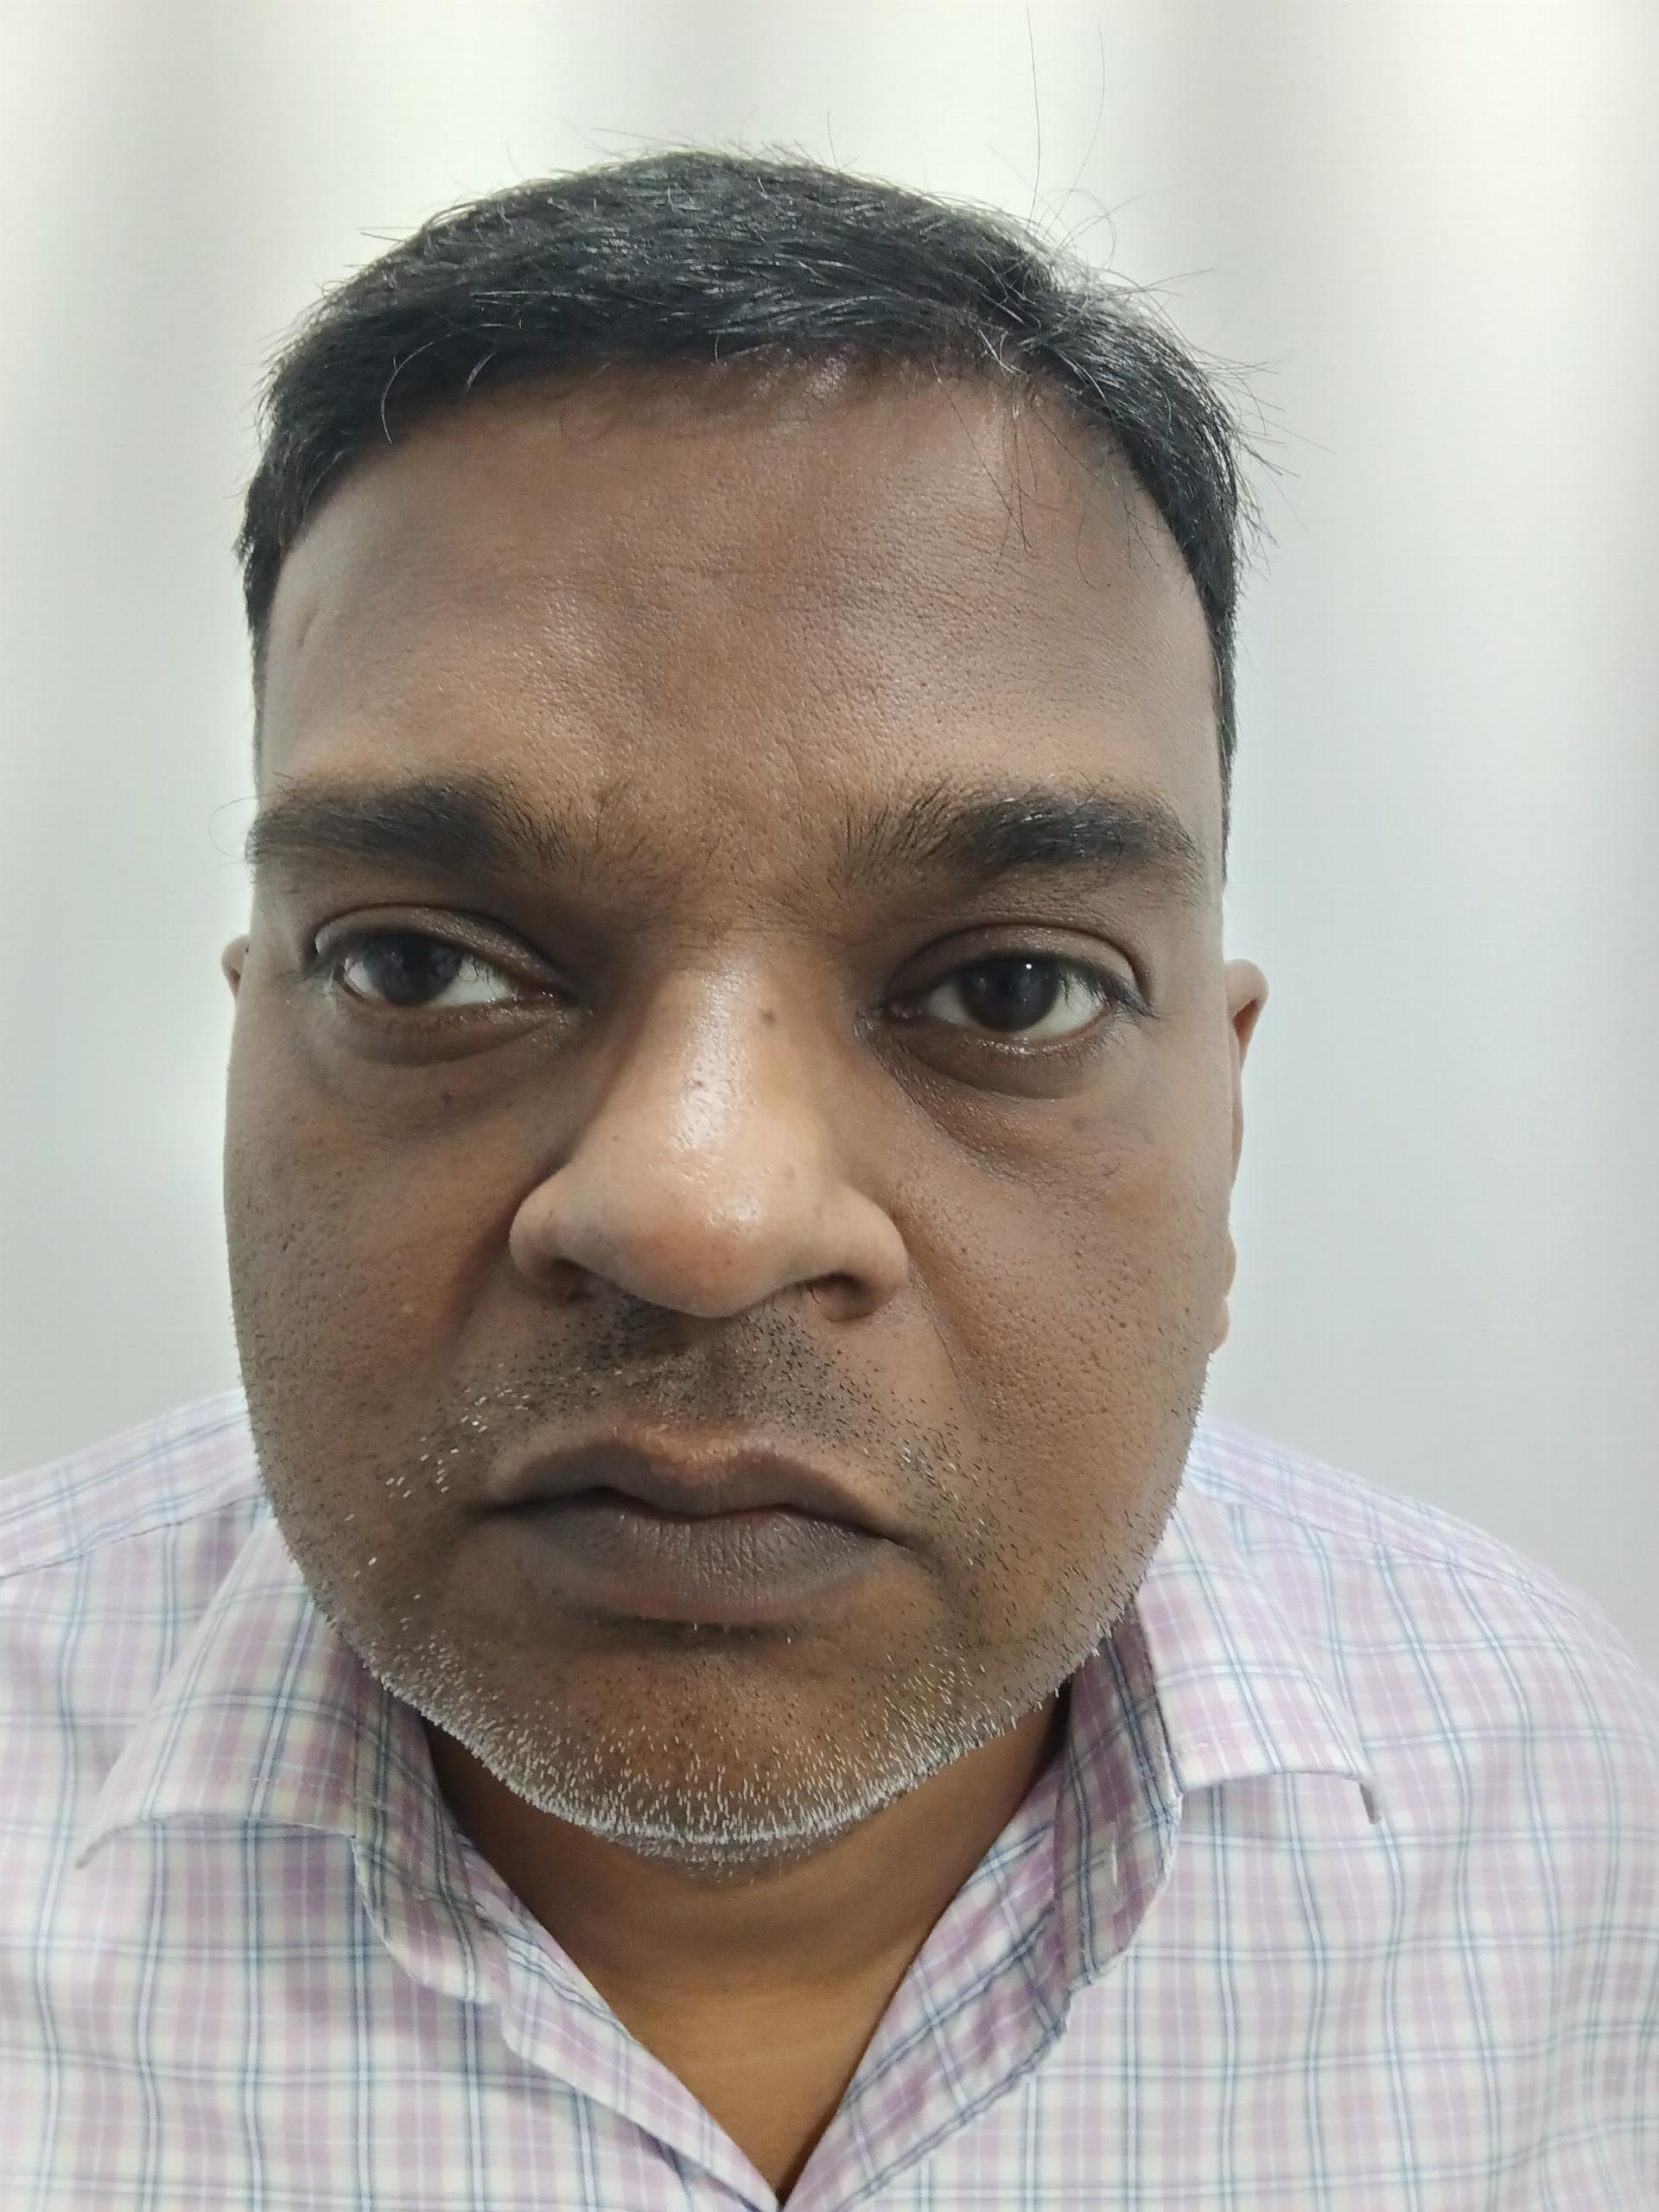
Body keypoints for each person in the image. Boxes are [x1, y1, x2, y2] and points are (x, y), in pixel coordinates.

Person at [1, 150, 1653, 2210]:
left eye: (1009, 987)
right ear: (250, 1047)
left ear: (1224, 1123)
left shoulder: (1570, 1832)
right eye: (424, 965)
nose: (700, 1217)